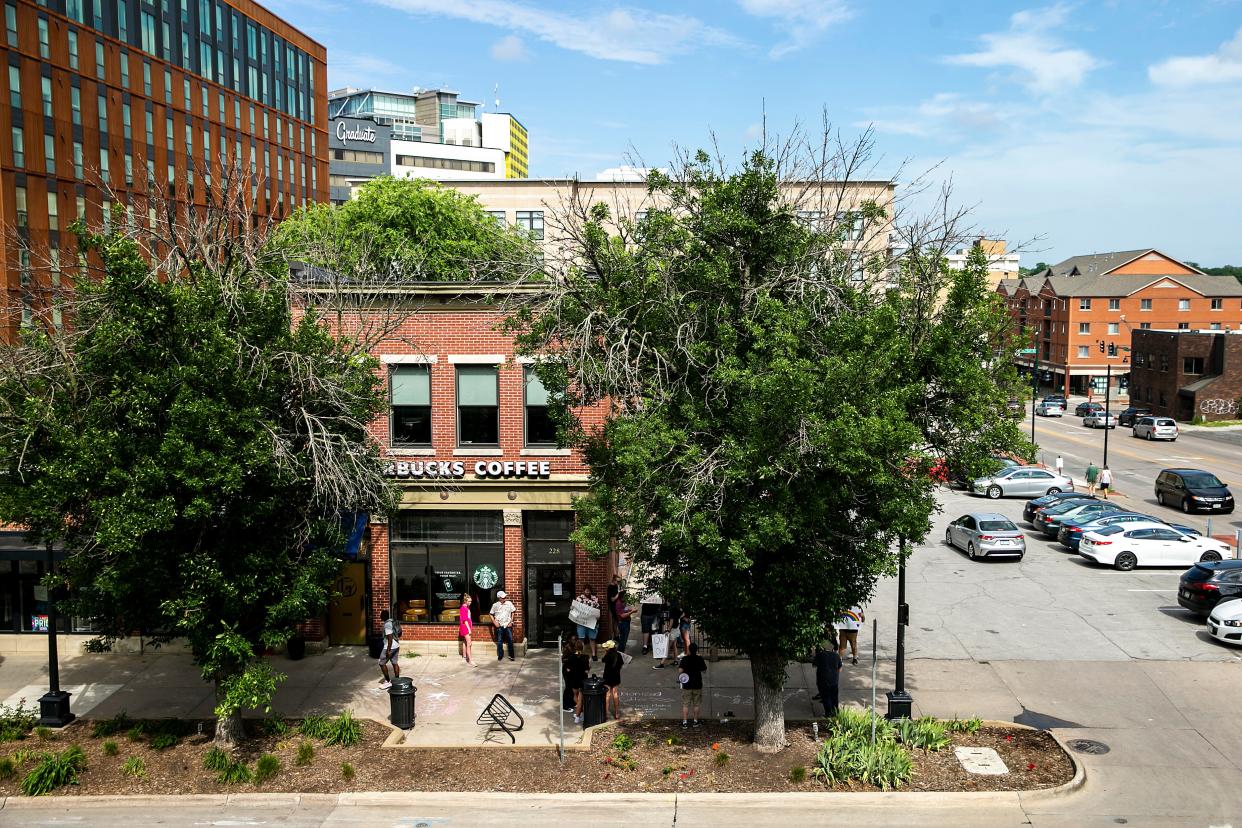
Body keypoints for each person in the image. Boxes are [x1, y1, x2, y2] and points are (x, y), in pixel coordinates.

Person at [678, 642, 707, 728]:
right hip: (697, 684)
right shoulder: (700, 658)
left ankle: (685, 722)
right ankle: (695, 721)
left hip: (687, 685)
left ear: (689, 650)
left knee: (686, 704)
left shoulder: (685, 659)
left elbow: (680, 671)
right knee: (696, 704)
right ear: (696, 650)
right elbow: (704, 670)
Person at [813, 638, 843, 716]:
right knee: (834, 697)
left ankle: (828, 713)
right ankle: (836, 712)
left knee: (826, 697)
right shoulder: (837, 656)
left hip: (822, 680)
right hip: (834, 680)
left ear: (823, 647)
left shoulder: (820, 655)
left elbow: (814, 665)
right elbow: (840, 669)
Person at [574, 586, 601, 660]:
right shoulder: (579, 599)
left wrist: (597, 616)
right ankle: (580, 655)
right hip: (581, 622)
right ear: (583, 591)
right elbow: (575, 609)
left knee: (592, 638)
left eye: (589, 591)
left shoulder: (594, 599)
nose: (588, 592)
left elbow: (597, 609)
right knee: (581, 638)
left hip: (591, 622)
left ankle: (594, 654)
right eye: (586, 591)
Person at [601, 639, 624, 720]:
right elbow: (621, 665)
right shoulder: (619, 655)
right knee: (615, 694)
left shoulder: (607, 655)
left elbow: (602, 660)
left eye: (606, 647)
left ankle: (606, 714)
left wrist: (605, 653)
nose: (605, 648)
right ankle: (617, 713)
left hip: (607, 676)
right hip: (616, 676)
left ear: (608, 648)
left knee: (607, 695)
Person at [566, 640, 589, 724]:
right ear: (583, 647)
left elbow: (568, 669)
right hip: (582, 679)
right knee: (580, 698)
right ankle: (580, 714)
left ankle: (578, 713)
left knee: (575, 696)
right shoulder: (586, 657)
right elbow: (587, 670)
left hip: (574, 679)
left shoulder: (571, 657)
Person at [490, 590, 516, 662]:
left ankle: (511, 655)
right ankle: (500, 655)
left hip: (508, 624)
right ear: (499, 598)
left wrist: (511, 621)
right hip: (499, 625)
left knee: (510, 640)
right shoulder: (495, 605)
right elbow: (491, 614)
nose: (505, 598)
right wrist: (494, 622)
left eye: (505, 597)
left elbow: (513, 611)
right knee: (499, 641)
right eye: (503, 597)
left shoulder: (509, 603)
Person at [378, 608, 401, 690]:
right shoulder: (392, 621)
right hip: (396, 645)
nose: (380, 616)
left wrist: (388, 650)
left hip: (390, 646)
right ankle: (397, 680)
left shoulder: (387, 624)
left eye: (381, 615)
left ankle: (388, 681)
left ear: (384, 616)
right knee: (395, 663)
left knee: (381, 663)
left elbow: (390, 638)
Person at [561, 634, 581, 712]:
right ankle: (565, 706)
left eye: (576, 639)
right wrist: (571, 659)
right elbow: (563, 659)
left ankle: (572, 702)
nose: (575, 641)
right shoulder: (567, 648)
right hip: (567, 669)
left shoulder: (576, 647)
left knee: (573, 686)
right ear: (569, 640)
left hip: (573, 669)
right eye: (573, 639)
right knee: (568, 687)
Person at [639, 589, 663, 654]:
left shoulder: (658, 593)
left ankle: (651, 646)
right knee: (646, 631)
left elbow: (661, 603)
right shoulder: (645, 592)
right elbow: (641, 600)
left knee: (653, 630)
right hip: (646, 614)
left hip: (653, 614)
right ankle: (645, 646)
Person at [458, 593, 475, 666]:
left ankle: (464, 656)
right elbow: (465, 620)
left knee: (465, 642)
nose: (470, 603)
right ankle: (470, 660)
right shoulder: (463, 608)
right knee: (469, 643)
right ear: (465, 601)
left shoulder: (467, 607)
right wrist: (469, 629)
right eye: (469, 601)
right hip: (465, 627)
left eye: (471, 601)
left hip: (467, 626)